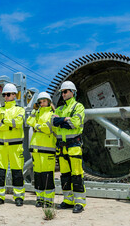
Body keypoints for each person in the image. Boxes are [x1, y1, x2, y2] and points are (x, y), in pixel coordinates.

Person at [52, 81, 86, 213]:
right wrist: (65, 119)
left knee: (77, 175)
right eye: (62, 92)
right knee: (65, 175)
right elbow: (52, 122)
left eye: (65, 91)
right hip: (62, 147)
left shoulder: (79, 107)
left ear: (73, 92)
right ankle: (68, 200)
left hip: (74, 146)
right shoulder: (59, 109)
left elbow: (75, 123)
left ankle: (80, 203)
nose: (63, 94)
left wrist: (62, 120)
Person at [0, 83, 26, 207]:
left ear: (14, 95)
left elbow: (18, 122)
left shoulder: (20, 110)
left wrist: (3, 122)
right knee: (0, 172)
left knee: (17, 172)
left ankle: (19, 196)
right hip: (1, 146)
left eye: (8, 94)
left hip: (15, 146)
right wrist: (10, 125)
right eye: (4, 94)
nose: (5, 96)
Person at [26, 92, 57, 208]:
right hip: (36, 149)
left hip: (48, 150)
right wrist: (34, 111)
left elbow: (48, 128)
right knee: (38, 175)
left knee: (47, 175)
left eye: (44, 101)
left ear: (48, 102)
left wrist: (37, 126)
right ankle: (40, 198)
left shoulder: (52, 114)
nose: (42, 104)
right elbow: (29, 121)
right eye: (40, 102)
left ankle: (48, 200)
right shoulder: (37, 114)